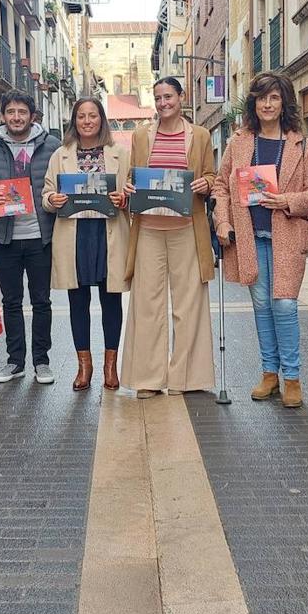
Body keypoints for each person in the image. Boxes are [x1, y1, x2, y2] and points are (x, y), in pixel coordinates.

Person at [213, 72, 308, 407]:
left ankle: (292, 378)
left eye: (274, 97)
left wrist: (288, 201)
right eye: (262, 98)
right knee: (261, 306)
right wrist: (221, 220)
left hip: (286, 235)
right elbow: (220, 185)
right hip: (250, 236)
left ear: (284, 102)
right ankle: (268, 374)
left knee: (285, 304)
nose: (267, 104)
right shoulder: (239, 142)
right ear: (254, 102)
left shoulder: (301, 145)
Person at [120, 77, 216, 398]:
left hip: (187, 228)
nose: (163, 103)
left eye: (169, 97)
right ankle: (148, 379)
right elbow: (133, 176)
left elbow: (211, 175)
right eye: (158, 97)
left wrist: (206, 183)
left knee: (189, 305)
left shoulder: (200, 136)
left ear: (181, 97)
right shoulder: (141, 135)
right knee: (147, 305)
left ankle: (184, 379)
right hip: (148, 229)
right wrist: (130, 187)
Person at [42, 98, 131, 391]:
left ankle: (110, 366)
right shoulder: (60, 154)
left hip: (108, 233)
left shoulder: (120, 153)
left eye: (93, 115)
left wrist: (124, 198)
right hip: (74, 233)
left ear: (101, 119)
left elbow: (131, 190)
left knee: (111, 301)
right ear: (74, 121)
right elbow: (47, 192)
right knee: (77, 302)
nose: (87, 121)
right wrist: (52, 200)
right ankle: (85, 366)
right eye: (82, 116)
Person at [0, 90, 61, 384]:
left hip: (41, 236)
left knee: (42, 302)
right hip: (5, 238)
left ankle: (42, 361)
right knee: (11, 302)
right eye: (10, 112)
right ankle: (15, 362)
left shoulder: (51, 146)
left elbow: (61, 183)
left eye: (22, 112)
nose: (16, 117)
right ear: (2, 116)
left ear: (32, 116)